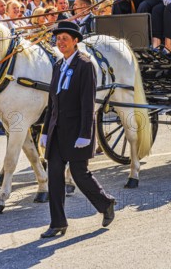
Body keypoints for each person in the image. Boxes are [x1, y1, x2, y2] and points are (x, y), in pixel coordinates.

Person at [39, 21, 116, 238]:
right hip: (56, 130)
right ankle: (58, 223)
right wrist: (45, 130)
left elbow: (87, 104)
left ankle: (106, 203)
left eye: (65, 38)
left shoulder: (85, 65)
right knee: (54, 175)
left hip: (76, 131)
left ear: (75, 41)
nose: (60, 42)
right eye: (58, 38)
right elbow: (52, 102)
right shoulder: (57, 65)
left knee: (79, 174)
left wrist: (86, 134)